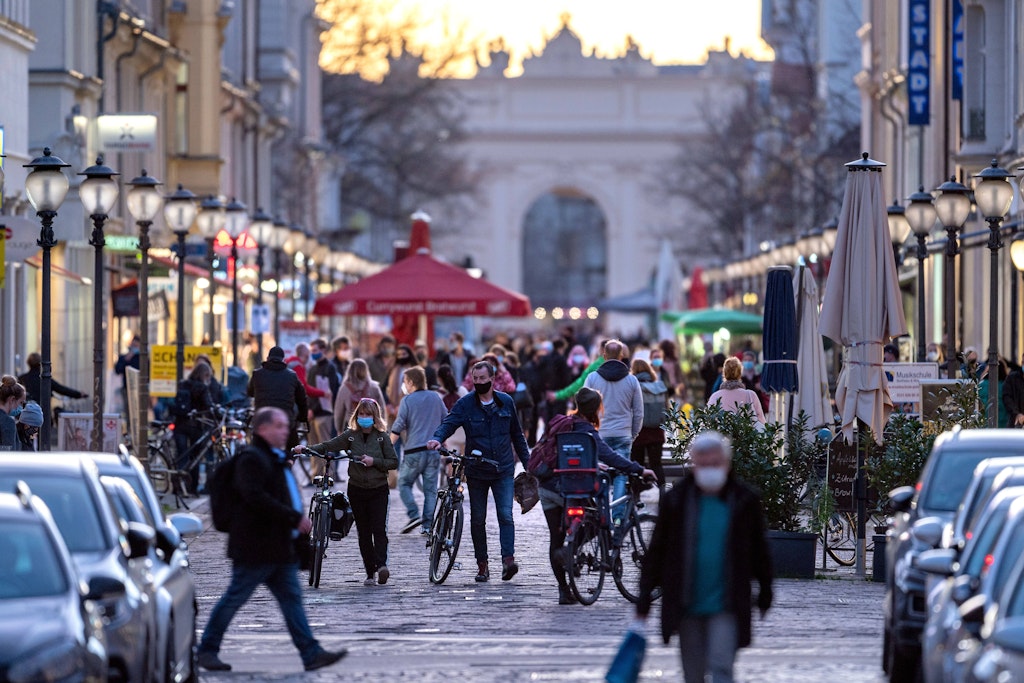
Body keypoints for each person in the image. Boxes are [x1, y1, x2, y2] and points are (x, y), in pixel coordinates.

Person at [197, 407, 347, 672]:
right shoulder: (253, 459)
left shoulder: (275, 458)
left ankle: (311, 653)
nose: (285, 431)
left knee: (292, 600)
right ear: (262, 429)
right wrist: (293, 517)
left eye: (285, 426)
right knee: (235, 597)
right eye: (278, 426)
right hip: (256, 547)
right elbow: (254, 497)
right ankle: (207, 649)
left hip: (278, 547)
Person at [636, 430, 773, 683]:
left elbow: (759, 550)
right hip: (688, 603)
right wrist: (644, 596)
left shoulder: (743, 500)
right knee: (693, 673)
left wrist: (766, 591)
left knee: (722, 667)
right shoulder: (677, 501)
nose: (709, 468)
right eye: (704, 463)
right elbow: (658, 550)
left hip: (727, 603)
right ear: (694, 464)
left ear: (726, 463)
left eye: (715, 463)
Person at [540, 387, 654, 604]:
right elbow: (611, 456)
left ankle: (564, 591)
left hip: (548, 486)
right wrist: (639, 469)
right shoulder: (588, 432)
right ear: (596, 409)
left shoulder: (561, 423)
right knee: (595, 523)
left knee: (556, 540)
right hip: (571, 488)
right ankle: (571, 548)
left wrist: (592, 462)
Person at [427, 360, 531, 583]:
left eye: (483, 379)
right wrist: (437, 438)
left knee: (505, 515)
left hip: (503, 468)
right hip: (477, 470)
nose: (479, 383)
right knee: (478, 519)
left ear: (492, 380)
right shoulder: (466, 404)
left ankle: (508, 561)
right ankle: (482, 565)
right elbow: (450, 422)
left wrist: (528, 463)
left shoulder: (506, 402)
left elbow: (517, 435)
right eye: (475, 379)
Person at [299, 398, 398, 586]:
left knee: (379, 529)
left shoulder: (382, 437)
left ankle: (382, 565)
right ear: (357, 415)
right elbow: (329, 445)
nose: (364, 417)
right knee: (364, 532)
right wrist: (306, 449)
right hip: (357, 490)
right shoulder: (351, 436)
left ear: (375, 416)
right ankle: (370, 572)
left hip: (378, 490)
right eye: (361, 414)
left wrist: (374, 461)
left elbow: (393, 462)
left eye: (368, 414)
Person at [583, 339, 643, 522]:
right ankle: (617, 518)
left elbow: (583, 406)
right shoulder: (632, 380)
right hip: (623, 434)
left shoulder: (592, 378)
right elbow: (639, 412)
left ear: (604, 355)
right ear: (622, 356)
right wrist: (632, 434)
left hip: (599, 435)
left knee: (599, 474)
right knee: (620, 475)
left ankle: (601, 516)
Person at [391, 366, 448, 534]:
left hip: (413, 451)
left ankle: (414, 514)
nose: (404, 385)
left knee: (404, 483)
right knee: (431, 490)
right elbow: (446, 419)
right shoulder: (435, 397)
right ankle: (427, 526)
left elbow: (398, 426)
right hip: (433, 450)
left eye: (404, 381)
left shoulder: (407, 401)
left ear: (410, 382)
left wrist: (386, 445)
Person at [248, 346, 309, 450]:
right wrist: (302, 417)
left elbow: (250, 392)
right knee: (292, 449)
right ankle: (289, 462)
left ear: (268, 358)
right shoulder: (291, 376)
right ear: (283, 360)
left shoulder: (257, 374)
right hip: (286, 421)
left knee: (259, 451)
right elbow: (302, 399)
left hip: (263, 421)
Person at [173, 362, 216, 492]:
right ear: (204, 375)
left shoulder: (183, 384)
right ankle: (192, 488)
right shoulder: (202, 387)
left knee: (181, 455)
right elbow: (209, 406)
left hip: (179, 424)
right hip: (195, 426)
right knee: (195, 457)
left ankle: (178, 486)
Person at [630, 358, 668, 493]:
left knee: (637, 465)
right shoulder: (659, 387)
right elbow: (667, 409)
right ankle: (662, 492)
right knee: (657, 464)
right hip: (657, 432)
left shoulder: (634, 386)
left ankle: (636, 498)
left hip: (638, 432)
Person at [307, 338, 342, 479]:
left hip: (324, 413)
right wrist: (309, 409)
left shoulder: (330, 368)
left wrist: (312, 409)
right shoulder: (313, 369)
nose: (313, 353)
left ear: (323, 350)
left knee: (325, 446)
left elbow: (330, 390)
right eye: (312, 351)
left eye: (315, 350)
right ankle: (316, 475)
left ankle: (328, 474)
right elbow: (309, 391)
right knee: (313, 447)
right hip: (313, 414)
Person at [334, 359, 386, 434]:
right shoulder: (374, 387)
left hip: (352, 428)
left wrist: (339, 429)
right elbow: (382, 408)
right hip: (372, 428)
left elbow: (339, 412)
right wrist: (382, 427)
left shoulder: (344, 389)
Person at [708, 357, 766, 424]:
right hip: (746, 433)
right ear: (740, 373)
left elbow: (708, 420)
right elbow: (761, 421)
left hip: (721, 434)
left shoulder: (715, 396)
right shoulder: (750, 395)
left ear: (724, 373)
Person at [17, 352, 87, 405]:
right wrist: (78, 394)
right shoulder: (45, 380)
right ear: (40, 364)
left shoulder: (21, 379)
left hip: (25, 414)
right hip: (43, 415)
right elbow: (62, 389)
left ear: (28, 363)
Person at [0, 376, 27, 451]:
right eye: (20, 402)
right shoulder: (7, 422)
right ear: (12, 399)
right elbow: (9, 455)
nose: (21, 407)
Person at [114, 335, 141, 407]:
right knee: (128, 408)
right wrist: (126, 360)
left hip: (140, 388)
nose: (134, 348)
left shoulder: (142, 358)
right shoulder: (124, 357)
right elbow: (117, 370)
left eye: (136, 346)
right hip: (127, 388)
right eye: (133, 345)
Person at [1004, 353, 1024, 428]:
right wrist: (1016, 413)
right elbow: (1007, 397)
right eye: (1023, 362)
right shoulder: (1012, 378)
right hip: (1015, 421)